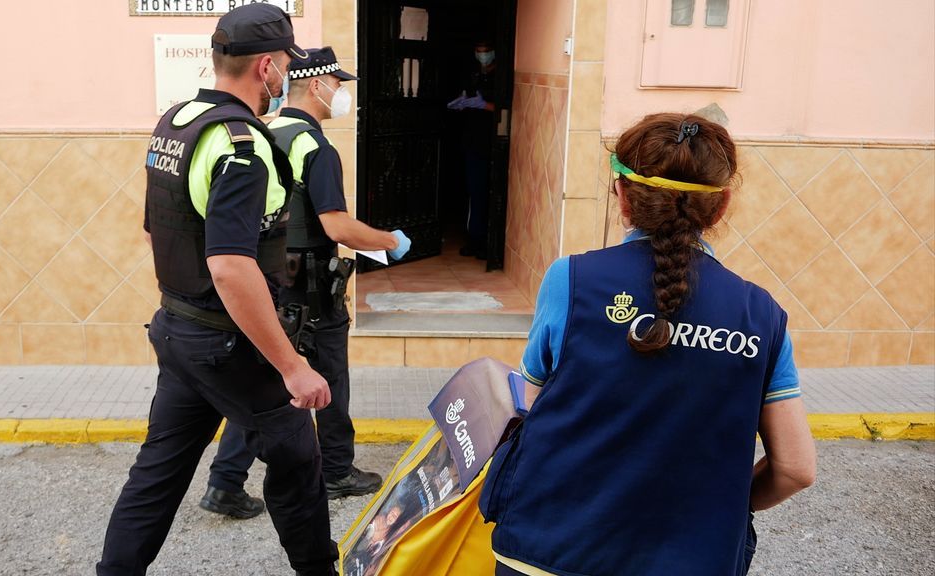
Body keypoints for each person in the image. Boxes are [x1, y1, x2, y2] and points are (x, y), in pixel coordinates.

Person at [479, 113, 817, 576]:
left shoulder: (571, 280)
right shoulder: (761, 316)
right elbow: (797, 469)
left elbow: (532, 402)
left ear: (622, 197)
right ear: (721, 206)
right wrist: (720, 508)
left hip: (549, 550)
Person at [97, 5, 339, 576]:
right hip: (226, 342)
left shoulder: (177, 123)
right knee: (297, 456)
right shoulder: (241, 145)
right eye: (284, 66)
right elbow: (232, 266)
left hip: (179, 329)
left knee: (159, 470)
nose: (284, 77)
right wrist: (292, 366)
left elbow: (159, 226)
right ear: (266, 68)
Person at [197, 47, 412, 519]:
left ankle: (225, 481)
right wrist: (388, 240)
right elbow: (336, 226)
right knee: (330, 373)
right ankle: (336, 469)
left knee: (268, 380)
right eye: (338, 85)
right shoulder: (316, 147)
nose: (341, 95)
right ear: (317, 86)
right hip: (313, 287)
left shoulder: (263, 130)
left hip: (269, 283)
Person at [447, 40, 497, 260]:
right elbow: (464, 100)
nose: (482, 55)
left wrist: (483, 105)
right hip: (472, 143)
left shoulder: (500, 76)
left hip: (493, 142)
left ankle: (487, 242)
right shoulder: (473, 74)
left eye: (486, 51)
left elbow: (502, 104)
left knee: (491, 193)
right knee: (475, 193)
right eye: (479, 51)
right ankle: (475, 240)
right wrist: (463, 104)